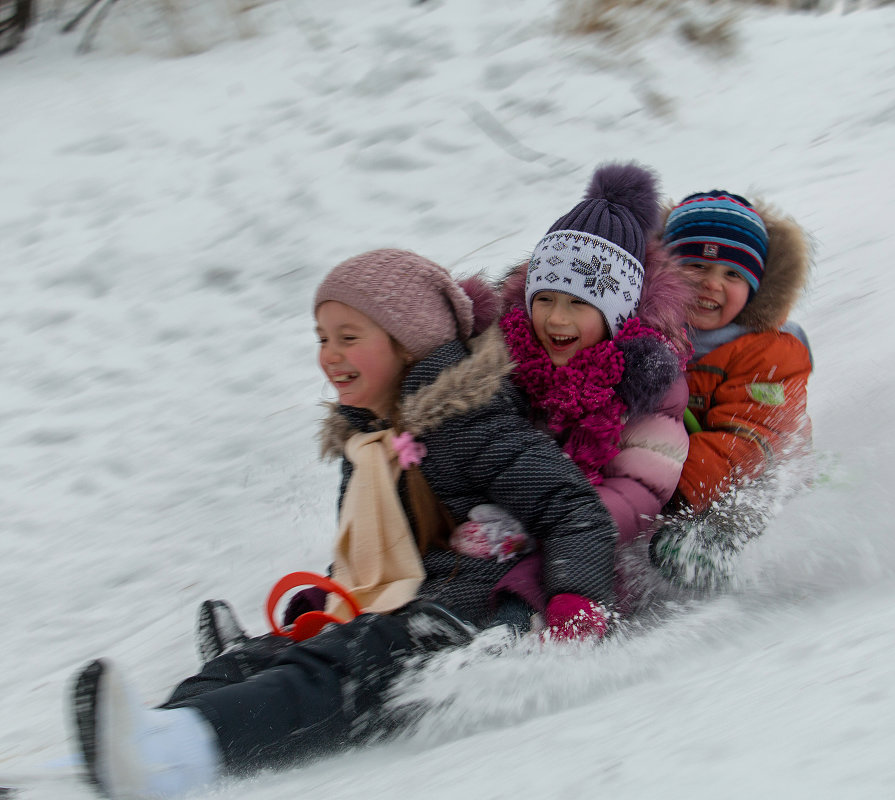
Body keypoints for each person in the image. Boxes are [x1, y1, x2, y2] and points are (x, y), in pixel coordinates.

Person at [70, 248, 626, 800]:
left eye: (348, 337)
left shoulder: (471, 422)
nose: (329, 355)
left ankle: (177, 749)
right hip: (401, 603)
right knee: (263, 654)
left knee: (346, 658)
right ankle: (146, 736)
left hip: (462, 621)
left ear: (407, 343)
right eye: (322, 338)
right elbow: (373, 553)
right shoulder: (366, 443)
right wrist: (333, 596)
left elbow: (574, 508)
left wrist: (575, 609)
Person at [482, 162, 694, 619]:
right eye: (545, 299)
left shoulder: (649, 384)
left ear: (617, 315)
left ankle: (512, 638)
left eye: (580, 304)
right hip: (498, 527)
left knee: (526, 580)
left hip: (594, 546)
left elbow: (641, 487)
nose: (557, 319)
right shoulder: (507, 361)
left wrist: (555, 525)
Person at [648, 191, 813, 588]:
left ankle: (720, 561)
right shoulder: (649, 332)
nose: (711, 284)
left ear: (755, 287)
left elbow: (747, 438)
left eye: (732, 274)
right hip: (673, 467)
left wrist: (669, 493)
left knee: (750, 500)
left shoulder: (770, 348)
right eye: (695, 266)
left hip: (751, 470)